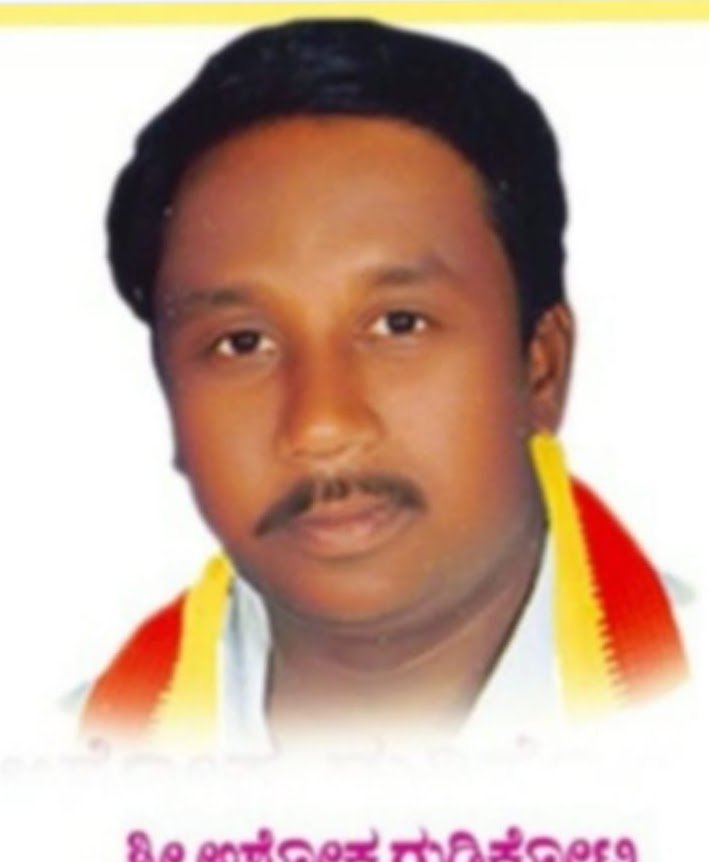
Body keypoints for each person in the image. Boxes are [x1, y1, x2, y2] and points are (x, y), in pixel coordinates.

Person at [80, 19, 688, 753]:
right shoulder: (59, 766)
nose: (321, 425)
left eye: (399, 325)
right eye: (243, 343)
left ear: (541, 367)